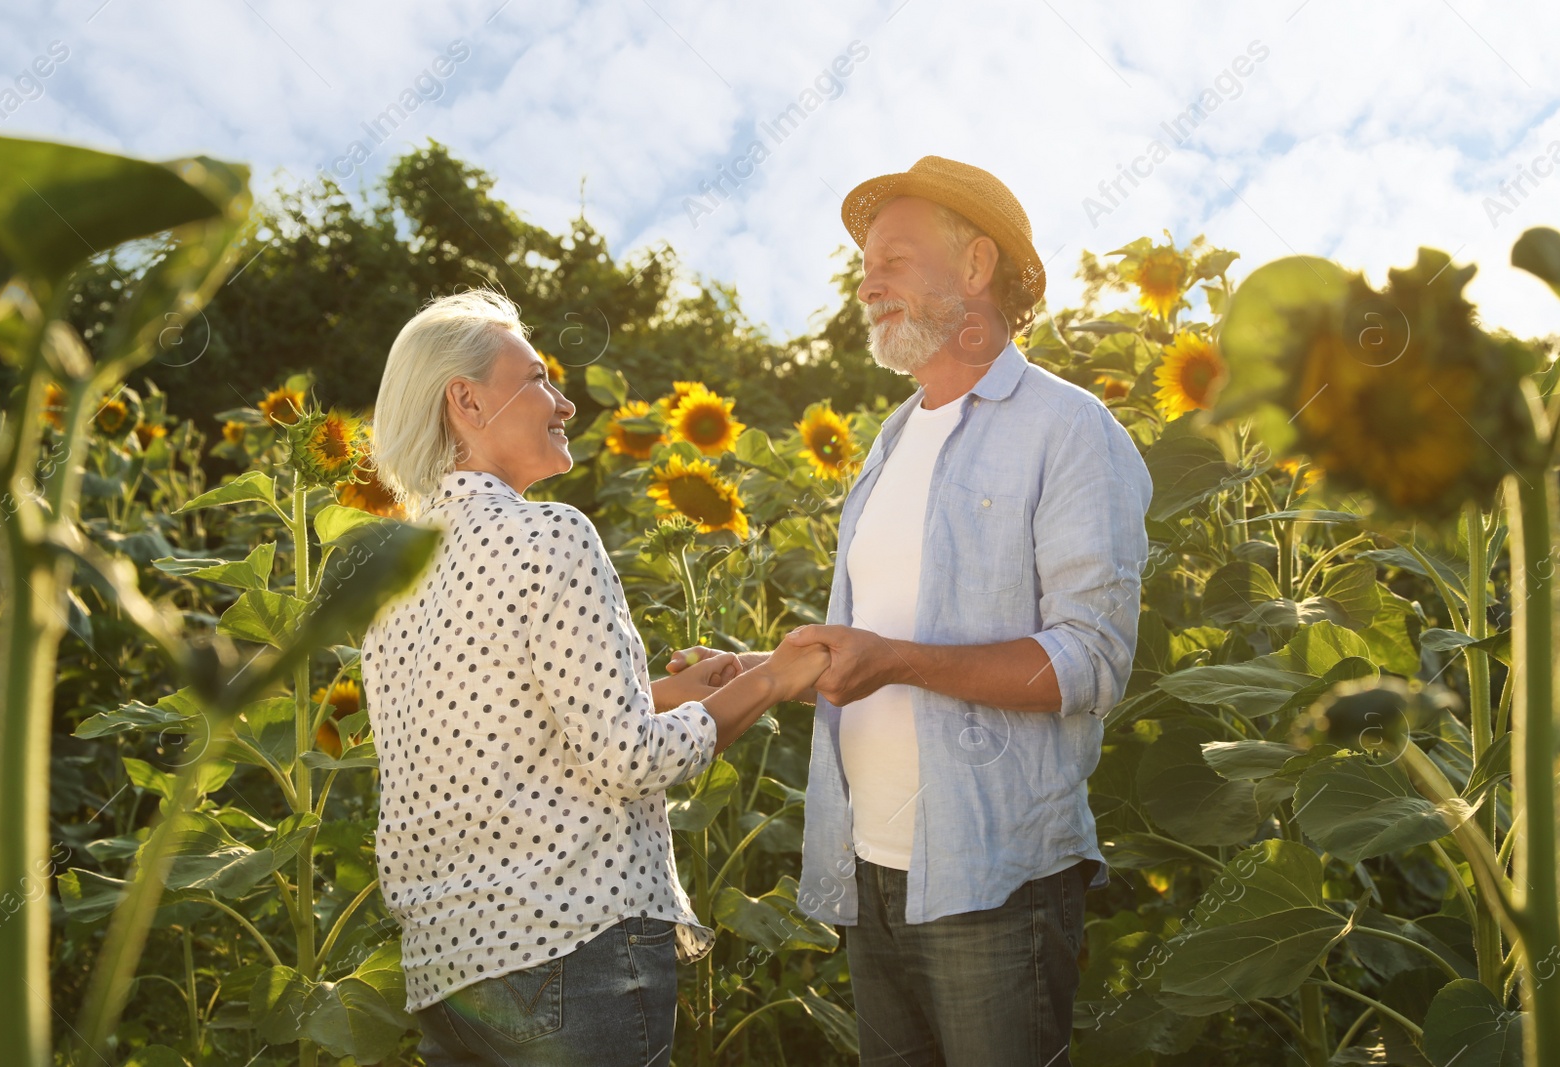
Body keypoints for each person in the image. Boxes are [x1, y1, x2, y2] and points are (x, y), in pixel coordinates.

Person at [669, 156, 1153, 1065]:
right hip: (873, 871)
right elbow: (877, 636)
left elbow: (1091, 660)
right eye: (865, 260)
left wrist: (896, 660)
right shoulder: (889, 444)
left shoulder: (1069, 428)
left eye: (892, 255)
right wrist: (772, 665)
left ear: (976, 266)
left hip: (994, 878)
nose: (866, 278)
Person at [361, 289, 829, 1066]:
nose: (566, 402)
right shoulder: (551, 533)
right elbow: (628, 758)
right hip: (571, 953)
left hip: (451, 977)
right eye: (539, 378)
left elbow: (500, 728)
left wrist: (678, 691)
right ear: (467, 400)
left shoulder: (394, 583)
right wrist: (771, 681)